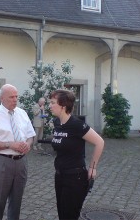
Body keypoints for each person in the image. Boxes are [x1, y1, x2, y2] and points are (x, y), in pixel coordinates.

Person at [0, 84, 36, 220]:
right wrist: (10, 144)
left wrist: (27, 145)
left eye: (16, 96)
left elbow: (30, 135)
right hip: (2, 162)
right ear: (2, 98)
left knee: (17, 201)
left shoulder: (22, 113)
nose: (15, 100)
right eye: (11, 97)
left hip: (21, 162)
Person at [48, 89, 104, 220]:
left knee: (70, 215)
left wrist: (93, 167)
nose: (50, 105)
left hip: (75, 178)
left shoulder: (77, 124)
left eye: (52, 102)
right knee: (62, 213)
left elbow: (99, 142)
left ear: (63, 106)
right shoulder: (57, 123)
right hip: (60, 175)